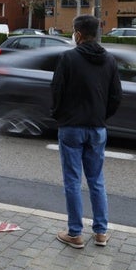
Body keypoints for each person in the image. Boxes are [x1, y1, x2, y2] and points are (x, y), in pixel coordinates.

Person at [51, 15, 122, 249]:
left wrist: (59, 116)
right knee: (96, 180)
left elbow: (56, 91)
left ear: (78, 34)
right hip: (97, 128)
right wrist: (101, 117)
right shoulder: (109, 60)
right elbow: (116, 97)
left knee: (72, 181)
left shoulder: (68, 58)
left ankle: (75, 233)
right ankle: (101, 232)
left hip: (71, 128)